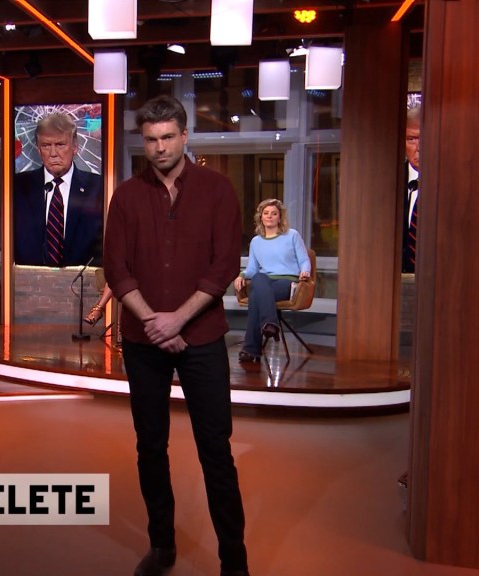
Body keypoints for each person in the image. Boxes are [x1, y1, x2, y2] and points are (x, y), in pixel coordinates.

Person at [103, 95, 250, 576]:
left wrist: (178, 319)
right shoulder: (126, 196)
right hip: (144, 341)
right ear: (142, 142)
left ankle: (234, 561)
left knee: (216, 450)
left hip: (201, 338)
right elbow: (117, 268)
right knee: (150, 446)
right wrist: (154, 321)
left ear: (184, 136)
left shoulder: (217, 190)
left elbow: (224, 265)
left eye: (168, 137)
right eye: (151, 139)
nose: (160, 147)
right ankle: (161, 546)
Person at [13, 112, 104, 266]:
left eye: (60, 145)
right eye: (46, 146)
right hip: (30, 279)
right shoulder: (18, 187)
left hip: (83, 279)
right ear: (38, 150)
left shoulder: (97, 187)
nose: (53, 154)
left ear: (75, 147)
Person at [233, 199, 311, 364]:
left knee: (256, 294)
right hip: (265, 282)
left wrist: (305, 271)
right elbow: (252, 268)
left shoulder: (292, 235)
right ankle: (270, 324)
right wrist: (241, 275)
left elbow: (304, 260)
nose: (269, 216)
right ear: (260, 217)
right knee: (258, 279)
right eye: (266, 213)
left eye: (274, 214)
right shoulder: (256, 242)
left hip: (287, 282)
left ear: (279, 217)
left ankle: (251, 349)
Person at [402, 106, 421, 274]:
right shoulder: (391, 180)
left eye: (424, 138)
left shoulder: (453, 183)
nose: (419, 147)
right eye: (411, 139)